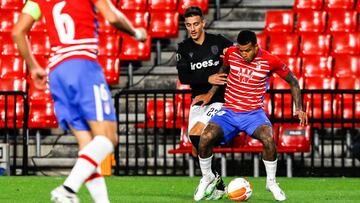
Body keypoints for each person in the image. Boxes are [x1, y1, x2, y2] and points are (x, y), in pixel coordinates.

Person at [12, 1, 147, 202]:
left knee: (88, 146)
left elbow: (17, 32)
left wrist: (33, 67)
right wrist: (136, 33)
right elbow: (112, 17)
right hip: (82, 65)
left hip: (57, 71)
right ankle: (68, 188)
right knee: (108, 139)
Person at [193, 30, 308, 201]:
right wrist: (211, 92)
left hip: (253, 113)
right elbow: (223, 69)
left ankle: (271, 182)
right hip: (229, 111)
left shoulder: (270, 60)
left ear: (256, 46)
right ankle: (208, 176)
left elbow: (293, 82)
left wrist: (299, 108)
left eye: (247, 50)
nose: (244, 54)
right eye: (241, 50)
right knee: (205, 137)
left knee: (269, 139)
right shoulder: (232, 53)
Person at [176, 6, 233, 201]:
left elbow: (237, 55)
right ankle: (218, 185)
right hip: (198, 101)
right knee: (196, 147)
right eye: (188, 25)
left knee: (197, 134)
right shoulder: (184, 48)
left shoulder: (218, 41)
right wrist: (208, 78)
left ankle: (208, 178)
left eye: (196, 24)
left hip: (219, 99)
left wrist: (230, 53)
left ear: (203, 23)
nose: (192, 28)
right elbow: (184, 76)